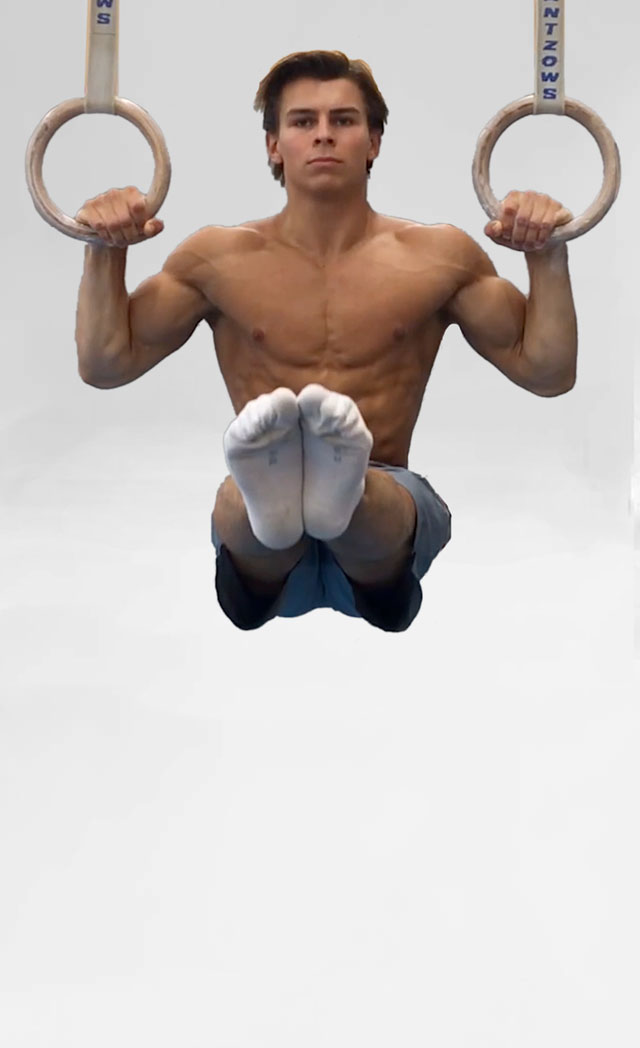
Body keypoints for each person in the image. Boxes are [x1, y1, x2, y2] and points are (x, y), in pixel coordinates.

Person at [74, 50, 577, 633]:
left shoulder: (439, 258)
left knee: (369, 501)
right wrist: (103, 249)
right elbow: (106, 363)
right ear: (273, 145)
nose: (323, 136)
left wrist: (548, 254)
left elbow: (547, 371)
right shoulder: (217, 260)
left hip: (383, 509)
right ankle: (278, 494)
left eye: (343, 120)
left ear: (374, 142)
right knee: (238, 504)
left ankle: (338, 489)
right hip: (264, 545)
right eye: (302, 121)